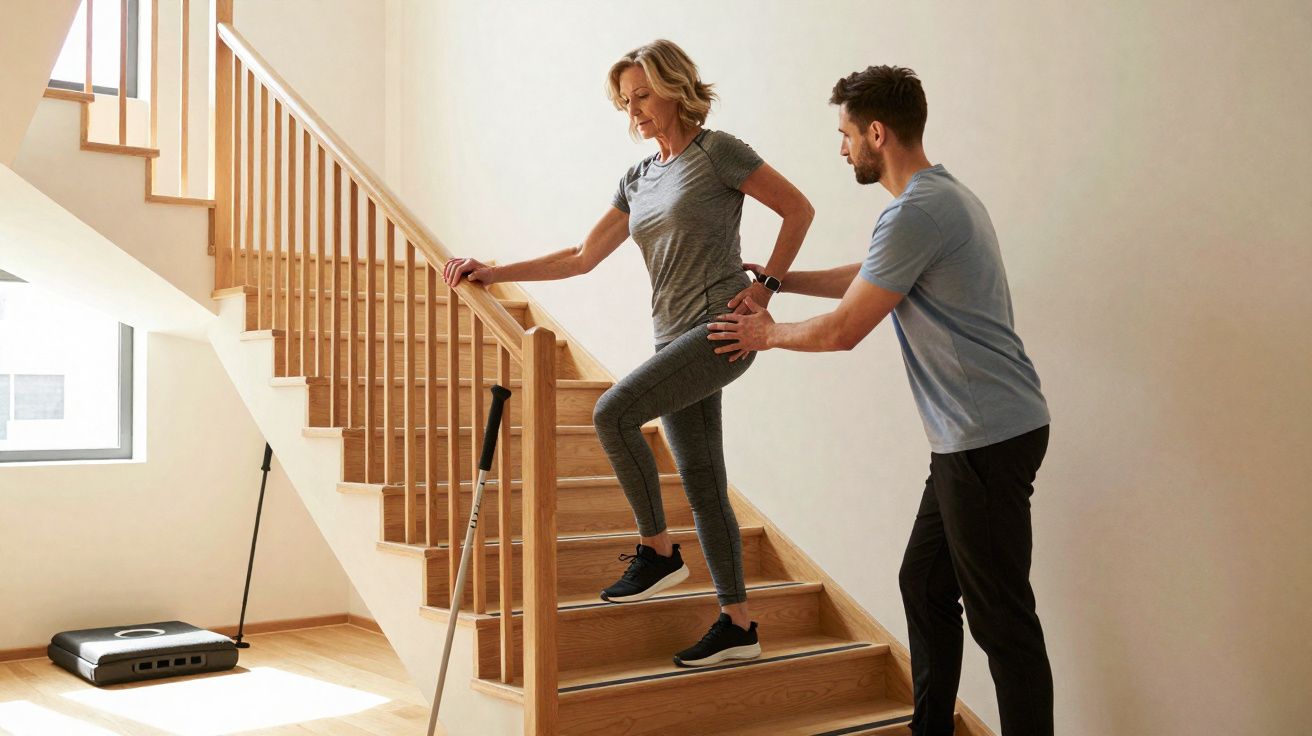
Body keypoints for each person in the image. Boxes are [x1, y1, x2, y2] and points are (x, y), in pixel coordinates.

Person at [443, 39, 814, 668]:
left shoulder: (717, 151)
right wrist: (495, 269)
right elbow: (581, 257)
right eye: (625, 100)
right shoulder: (639, 177)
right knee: (703, 481)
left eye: (642, 95)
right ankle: (739, 623)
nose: (633, 110)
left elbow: (797, 209)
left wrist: (766, 286)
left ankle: (659, 551)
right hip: (670, 333)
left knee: (612, 412)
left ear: (675, 88)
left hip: (721, 328)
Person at [708, 66, 1054, 735]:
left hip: (986, 436)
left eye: (845, 135)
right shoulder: (936, 200)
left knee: (1002, 620)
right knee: (924, 584)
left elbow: (846, 331)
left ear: (876, 132)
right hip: (976, 435)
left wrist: (766, 333)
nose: (841, 150)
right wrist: (777, 279)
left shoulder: (918, 210)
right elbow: (870, 277)